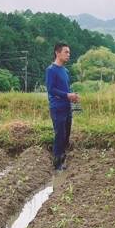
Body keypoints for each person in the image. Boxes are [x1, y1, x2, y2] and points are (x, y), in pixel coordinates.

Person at [45, 42, 79, 171]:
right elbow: (51, 89)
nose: (68, 55)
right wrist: (67, 95)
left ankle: (62, 158)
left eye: (69, 52)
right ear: (57, 53)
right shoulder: (51, 70)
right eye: (66, 52)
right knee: (60, 134)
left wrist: (73, 97)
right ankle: (57, 164)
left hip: (67, 107)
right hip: (57, 107)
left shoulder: (65, 70)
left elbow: (67, 88)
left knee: (66, 135)